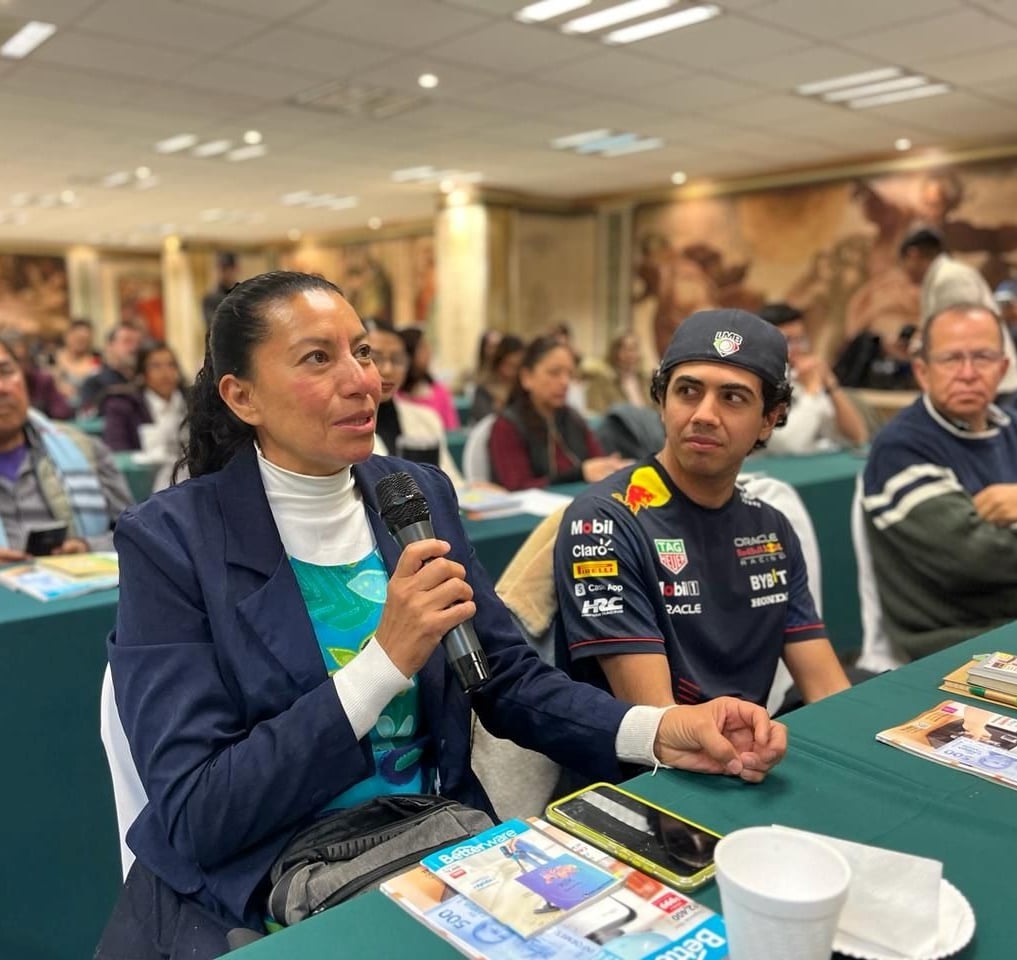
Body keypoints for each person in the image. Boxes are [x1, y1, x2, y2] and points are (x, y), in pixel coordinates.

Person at [97, 272, 786, 959]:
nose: (362, 381)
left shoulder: (411, 494)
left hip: (434, 843)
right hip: (265, 882)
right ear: (241, 396)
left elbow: (505, 678)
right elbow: (198, 812)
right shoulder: (172, 543)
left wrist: (660, 731)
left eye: (362, 352)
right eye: (317, 358)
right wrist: (382, 663)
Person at [553, 309, 850, 710]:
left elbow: (829, 691)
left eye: (732, 398)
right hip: (651, 750)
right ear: (662, 402)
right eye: (688, 391)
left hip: (748, 740)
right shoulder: (604, 521)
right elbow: (656, 720)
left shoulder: (772, 528)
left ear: (769, 419)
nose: (704, 415)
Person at [862, 303, 1017, 660]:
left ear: (1003, 368)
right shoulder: (901, 447)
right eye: (951, 359)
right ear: (922, 371)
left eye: (983, 357)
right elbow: (977, 559)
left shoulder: (1010, 426)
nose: (968, 373)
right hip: (957, 644)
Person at [0, 332, 132, 561]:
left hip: (80, 579)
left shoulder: (84, 448)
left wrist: (87, 546)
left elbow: (134, 534)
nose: (2, 388)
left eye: (5, 371)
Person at [489, 335, 629, 491]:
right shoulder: (507, 426)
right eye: (554, 373)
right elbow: (518, 487)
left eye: (569, 374)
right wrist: (580, 474)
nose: (565, 382)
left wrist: (609, 466)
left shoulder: (573, 419)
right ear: (526, 377)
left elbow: (597, 461)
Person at [758, 303, 867, 455]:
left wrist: (830, 384)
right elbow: (788, 446)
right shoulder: (759, 382)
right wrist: (811, 392)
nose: (798, 348)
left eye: (801, 340)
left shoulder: (803, 377)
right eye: (788, 341)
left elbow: (857, 436)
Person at [366, 320, 463, 485]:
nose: (388, 370)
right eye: (375, 359)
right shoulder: (343, 426)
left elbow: (450, 481)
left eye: (397, 360)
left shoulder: (426, 419)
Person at [101, 342, 187, 454]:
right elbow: (118, 452)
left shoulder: (193, 402)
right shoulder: (122, 406)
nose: (166, 373)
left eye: (171, 365)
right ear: (142, 373)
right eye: (156, 366)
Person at [3, 329, 74, 420]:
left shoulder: (42, 380)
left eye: (23, 360)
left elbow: (62, 412)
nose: (20, 367)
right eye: (6, 368)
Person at [398, 326, 460, 429]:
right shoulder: (395, 395)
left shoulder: (440, 392)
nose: (429, 352)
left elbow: (452, 430)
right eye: (422, 348)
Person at [78, 323, 144, 415]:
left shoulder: (145, 379)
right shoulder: (95, 382)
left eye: (138, 343)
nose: (134, 348)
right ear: (110, 346)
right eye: (127, 341)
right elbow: (87, 416)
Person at [584, 330, 652, 416]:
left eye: (634, 349)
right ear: (615, 352)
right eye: (625, 349)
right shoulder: (600, 382)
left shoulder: (646, 381)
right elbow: (596, 415)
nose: (630, 355)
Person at [467, 334, 524, 425]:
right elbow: (484, 422)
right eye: (508, 365)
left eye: (517, 367)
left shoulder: (525, 391)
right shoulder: (484, 391)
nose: (511, 372)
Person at [52, 318, 101, 412]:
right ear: (67, 337)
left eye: (85, 340)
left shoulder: (96, 361)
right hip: (58, 408)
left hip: (87, 410)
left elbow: (98, 384)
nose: (81, 343)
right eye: (77, 339)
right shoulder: (55, 358)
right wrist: (59, 387)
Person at [201, 252, 238, 329]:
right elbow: (214, 325)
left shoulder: (242, 296)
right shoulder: (210, 299)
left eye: (228, 268)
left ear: (235, 269)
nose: (225, 273)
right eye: (222, 269)